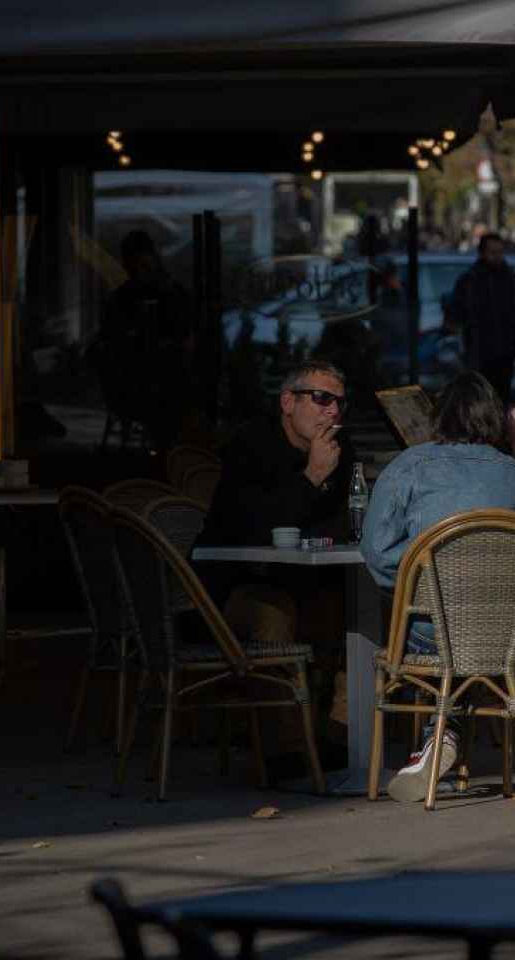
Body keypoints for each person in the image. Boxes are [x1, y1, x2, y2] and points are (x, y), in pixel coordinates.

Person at [359, 372, 515, 802]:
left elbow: (376, 555)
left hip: (430, 629)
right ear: (498, 420)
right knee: (484, 640)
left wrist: (427, 578)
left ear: (441, 417)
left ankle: (443, 731)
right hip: (506, 633)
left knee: (421, 625)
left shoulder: (409, 466)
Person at [197, 360, 356, 650]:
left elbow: (343, 523)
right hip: (236, 583)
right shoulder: (251, 446)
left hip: (310, 577)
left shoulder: (339, 448)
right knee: (274, 613)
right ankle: (279, 693)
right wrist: (312, 476)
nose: (333, 411)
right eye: (322, 399)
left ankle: (348, 695)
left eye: (339, 403)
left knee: (366, 606)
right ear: (288, 402)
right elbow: (256, 530)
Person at [101, 231, 195, 453]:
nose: (139, 271)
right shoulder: (123, 299)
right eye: (135, 265)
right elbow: (114, 342)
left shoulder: (170, 293)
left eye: (144, 265)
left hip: (162, 380)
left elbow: (186, 331)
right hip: (139, 385)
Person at [446, 233, 515, 402]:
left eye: (499, 252)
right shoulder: (469, 281)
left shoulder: (512, 280)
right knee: (479, 400)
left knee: (501, 400)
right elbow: (456, 313)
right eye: (492, 252)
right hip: (478, 353)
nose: (497, 256)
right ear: (482, 253)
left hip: (506, 355)